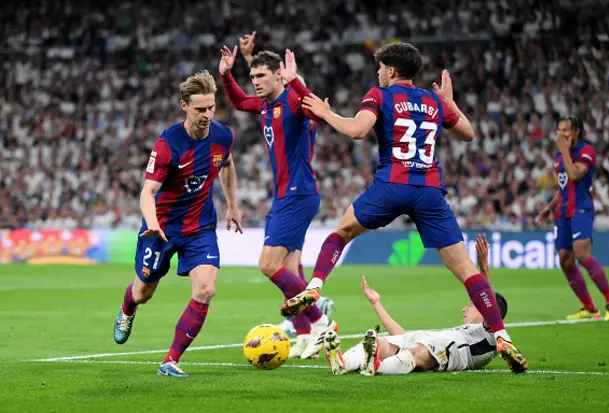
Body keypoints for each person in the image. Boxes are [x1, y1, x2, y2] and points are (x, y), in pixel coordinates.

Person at [279, 42, 527, 373]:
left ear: (391, 71)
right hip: (429, 190)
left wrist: (326, 114)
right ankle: (501, 334)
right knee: (467, 270)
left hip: (392, 184)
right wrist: (450, 103)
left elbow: (357, 130)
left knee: (341, 232)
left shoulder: (380, 95)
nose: (378, 73)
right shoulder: (433, 100)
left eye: (380, 67)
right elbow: (467, 133)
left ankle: (314, 287)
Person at [112, 70, 242, 377]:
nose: (207, 115)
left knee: (206, 289)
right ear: (184, 106)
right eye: (200, 109)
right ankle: (128, 308)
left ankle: (170, 360)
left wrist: (233, 205)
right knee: (144, 293)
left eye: (211, 108)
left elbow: (228, 163)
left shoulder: (223, 136)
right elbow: (147, 191)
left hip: (200, 228)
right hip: (161, 229)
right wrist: (152, 221)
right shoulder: (168, 144)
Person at [219, 44, 336, 359]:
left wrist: (296, 82)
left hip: (297, 194)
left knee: (267, 265)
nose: (255, 81)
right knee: (290, 272)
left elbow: (316, 111)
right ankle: (303, 335)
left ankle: (321, 320)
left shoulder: (294, 101)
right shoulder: (264, 105)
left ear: (278, 77)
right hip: (285, 194)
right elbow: (239, 100)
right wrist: (227, 75)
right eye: (252, 75)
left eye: (261, 75)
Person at [323, 234, 512, 376]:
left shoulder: (492, 338)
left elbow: (489, 305)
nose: (465, 308)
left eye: (472, 305)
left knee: (418, 350)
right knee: (381, 342)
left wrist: (484, 267)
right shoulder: (462, 331)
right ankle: (342, 363)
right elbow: (402, 336)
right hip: (432, 342)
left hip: (446, 353)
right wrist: (376, 303)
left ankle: (378, 367)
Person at [537, 116, 609, 321]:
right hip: (563, 212)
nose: (561, 135)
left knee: (581, 253)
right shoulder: (560, 154)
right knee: (565, 260)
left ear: (576, 131)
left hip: (581, 209)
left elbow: (575, 175)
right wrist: (550, 207)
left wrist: (565, 151)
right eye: (558, 130)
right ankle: (590, 309)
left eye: (565, 130)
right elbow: (564, 184)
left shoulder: (586, 151)